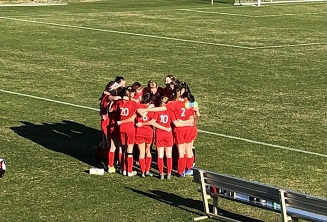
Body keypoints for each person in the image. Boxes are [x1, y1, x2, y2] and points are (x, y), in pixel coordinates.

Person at [137, 84, 194, 177]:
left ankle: (180, 172)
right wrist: (187, 121)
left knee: (180, 152)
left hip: (178, 130)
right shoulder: (187, 103)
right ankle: (188, 169)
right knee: (187, 151)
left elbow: (160, 109)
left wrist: (146, 109)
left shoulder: (172, 104)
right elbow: (195, 106)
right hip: (189, 129)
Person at [111, 87, 137, 177]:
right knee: (129, 151)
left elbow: (111, 109)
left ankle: (124, 169)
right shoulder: (133, 103)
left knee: (123, 149)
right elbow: (134, 116)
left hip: (121, 128)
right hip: (129, 128)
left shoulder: (118, 103)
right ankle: (129, 171)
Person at [152, 96, 174, 180]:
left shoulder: (157, 112)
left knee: (160, 155)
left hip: (159, 134)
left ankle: (161, 173)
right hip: (168, 134)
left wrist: (162, 128)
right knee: (169, 155)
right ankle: (168, 173)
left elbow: (153, 123)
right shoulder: (170, 112)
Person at [135, 93, 156, 177]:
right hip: (149, 132)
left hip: (139, 132)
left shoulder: (138, 107)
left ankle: (143, 171)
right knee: (148, 151)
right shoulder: (152, 109)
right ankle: (147, 170)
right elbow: (153, 122)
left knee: (141, 152)